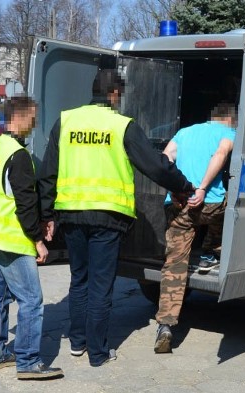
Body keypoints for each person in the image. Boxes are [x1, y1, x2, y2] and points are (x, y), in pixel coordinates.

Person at [38, 68, 195, 367]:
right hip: (107, 217)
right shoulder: (122, 125)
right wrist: (184, 187)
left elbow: (48, 172)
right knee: (100, 284)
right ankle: (98, 353)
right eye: (119, 94)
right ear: (113, 94)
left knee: (79, 280)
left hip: (71, 215)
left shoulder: (66, 121)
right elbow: (156, 167)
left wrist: (47, 214)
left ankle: (77, 342)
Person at [0, 96, 63, 380]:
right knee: (32, 300)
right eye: (32, 118)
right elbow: (24, 203)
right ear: (19, 118)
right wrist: (38, 240)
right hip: (12, 238)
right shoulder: (19, 155)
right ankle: (28, 362)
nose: (34, 124)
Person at [154, 103, 237, 354]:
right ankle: (211, 251)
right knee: (234, 208)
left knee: (174, 264)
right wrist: (202, 188)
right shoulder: (228, 133)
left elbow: (165, 159)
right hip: (209, 205)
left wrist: (176, 188)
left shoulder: (184, 132)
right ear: (230, 120)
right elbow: (220, 155)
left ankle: (166, 325)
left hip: (179, 204)